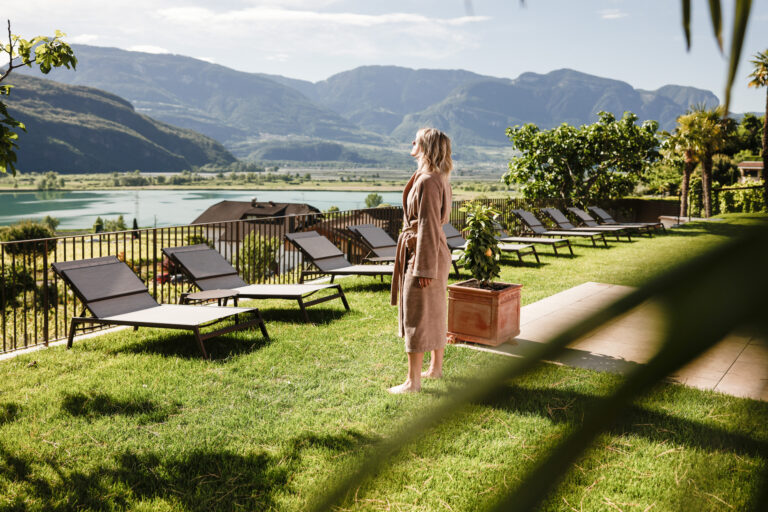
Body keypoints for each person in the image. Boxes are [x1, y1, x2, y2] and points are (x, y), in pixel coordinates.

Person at [389, 128, 453, 394]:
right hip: (436, 251)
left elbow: (427, 224)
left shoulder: (428, 180)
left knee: (415, 314)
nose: (411, 143)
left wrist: (423, 266)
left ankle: (412, 382)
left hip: (424, 253)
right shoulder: (438, 177)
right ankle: (435, 369)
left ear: (426, 146)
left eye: (416, 140)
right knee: (436, 311)